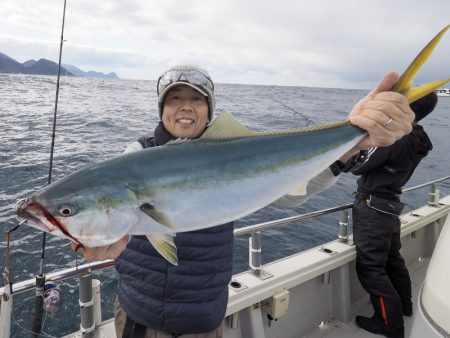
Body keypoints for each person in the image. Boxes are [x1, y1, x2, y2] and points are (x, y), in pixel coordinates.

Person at [73, 65, 415, 338]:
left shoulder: (238, 155)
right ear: (162, 110)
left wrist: (353, 144)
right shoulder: (136, 157)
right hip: (139, 312)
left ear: (209, 111)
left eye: (196, 98)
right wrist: (99, 241)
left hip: (203, 313)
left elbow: (290, 197)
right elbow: (108, 214)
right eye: (174, 98)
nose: (185, 106)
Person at [349, 92, 438, 338]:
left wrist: (355, 147)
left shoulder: (393, 138)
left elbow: (358, 167)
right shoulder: (418, 137)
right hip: (389, 207)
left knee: (371, 268)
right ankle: (405, 306)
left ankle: (390, 324)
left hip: (373, 208)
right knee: (392, 260)